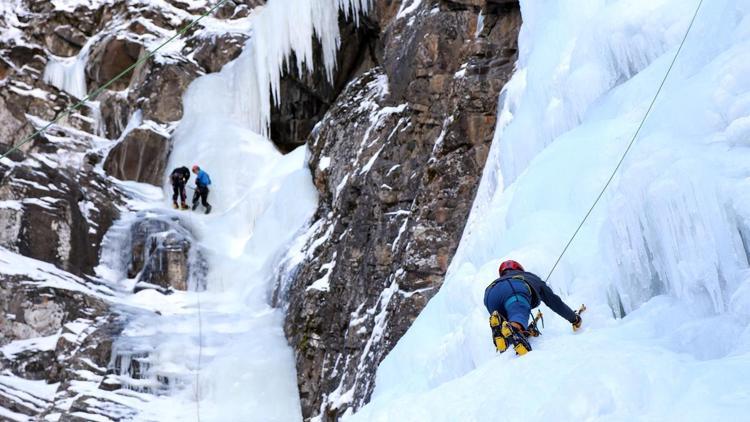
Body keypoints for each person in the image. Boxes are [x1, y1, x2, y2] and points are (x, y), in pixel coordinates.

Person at [484, 259, 582, 355]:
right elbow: (554, 301)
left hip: (490, 295)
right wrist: (574, 318)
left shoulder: (498, 281)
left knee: (506, 319)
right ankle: (515, 329)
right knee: (517, 308)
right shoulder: (528, 276)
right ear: (519, 269)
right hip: (514, 288)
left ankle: (501, 332)